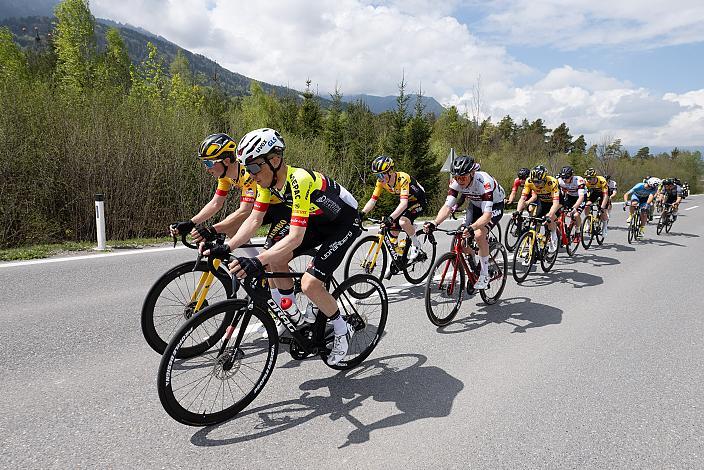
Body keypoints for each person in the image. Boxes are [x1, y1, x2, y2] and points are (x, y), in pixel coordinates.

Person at [211, 128, 361, 365]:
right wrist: (229, 246)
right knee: (274, 259)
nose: (251, 175)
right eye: (247, 168)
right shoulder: (266, 183)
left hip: (344, 223)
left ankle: (343, 329)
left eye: (253, 167)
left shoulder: (299, 179)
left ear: (275, 160)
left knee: (310, 284)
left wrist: (255, 261)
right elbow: (254, 220)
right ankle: (292, 315)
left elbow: (295, 238)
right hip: (318, 222)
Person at [170, 133, 259, 256]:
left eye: (209, 163)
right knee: (231, 228)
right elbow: (216, 203)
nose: (207, 168)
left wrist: (211, 230)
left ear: (226, 161)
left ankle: (265, 266)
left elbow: (244, 211)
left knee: (275, 260)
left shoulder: (247, 174)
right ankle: (260, 266)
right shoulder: (225, 176)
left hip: (281, 207)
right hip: (264, 208)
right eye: (205, 163)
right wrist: (191, 223)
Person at [423, 155, 505, 289]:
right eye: (457, 177)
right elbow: (447, 207)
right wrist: (435, 223)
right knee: (462, 241)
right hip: (475, 205)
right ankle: (474, 269)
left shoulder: (485, 182)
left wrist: (473, 228)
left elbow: (487, 215)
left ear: (472, 173)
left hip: (494, 206)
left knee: (479, 235)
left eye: (463, 177)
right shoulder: (455, 182)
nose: (460, 181)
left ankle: (484, 274)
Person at [360, 155, 427, 262]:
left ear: (390, 171)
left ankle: (416, 244)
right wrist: (362, 213)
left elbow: (404, 204)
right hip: (406, 202)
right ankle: (399, 257)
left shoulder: (403, 178)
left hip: (419, 201)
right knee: (393, 231)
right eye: (377, 176)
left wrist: (390, 218)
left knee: (403, 222)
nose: (380, 178)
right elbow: (373, 200)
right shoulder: (381, 182)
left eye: (382, 175)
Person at [516, 165, 561, 252]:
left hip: (557, 202)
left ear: (544, 179)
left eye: (539, 182)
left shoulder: (552, 182)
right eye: (534, 182)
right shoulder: (529, 181)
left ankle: (553, 234)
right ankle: (532, 247)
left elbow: (556, 203)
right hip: (543, 201)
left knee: (550, 219)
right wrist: (518, 211)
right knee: (535, 221)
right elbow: (522, 198)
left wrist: (549, 215)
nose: (536, 184)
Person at [557, 165, 587, 233]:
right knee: (561, 212)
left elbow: (581, 197)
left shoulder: (579, 180)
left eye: (566, 177)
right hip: (570, 196)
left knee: (576, 214)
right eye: (563, 177)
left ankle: (578, 231)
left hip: (581, 197)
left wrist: (574, 208)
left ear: (571, 176)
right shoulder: (559, 181)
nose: (564, 179)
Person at [583, 168, 611, 237]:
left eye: (590, 178)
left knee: (603, 211)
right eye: (587, 178)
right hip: (594, 193)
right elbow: (583, 194)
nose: (588, 180)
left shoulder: (602, 181)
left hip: (603, 194)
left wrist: (602, 207)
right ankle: (589, 222)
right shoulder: (585, 182)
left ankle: (605, 226)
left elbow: (605, 195)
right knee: (586, 206)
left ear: (595, 177)